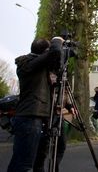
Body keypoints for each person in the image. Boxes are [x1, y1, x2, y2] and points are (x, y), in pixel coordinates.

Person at [7, 37, 63, 172]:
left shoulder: (37, 66)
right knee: (23, 164)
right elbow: (55, 51)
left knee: (37, 163)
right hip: (29, 118)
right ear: (45, 52)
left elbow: (56, 59)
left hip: (39, 118)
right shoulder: (27, 63)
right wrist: (57, 40)